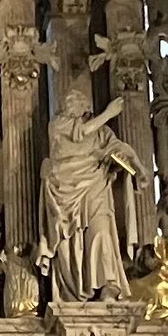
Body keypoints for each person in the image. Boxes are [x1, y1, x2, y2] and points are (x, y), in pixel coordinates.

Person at [37, 76, 142, 301]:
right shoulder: (58, 124)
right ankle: (73, 290)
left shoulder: (102, 133)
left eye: (74, 100)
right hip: (63, 193)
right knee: (67, 244)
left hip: (96, 186)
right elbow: (79, 133)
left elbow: (120, 148)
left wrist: (137, 168)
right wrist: (109, 113)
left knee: (101, 232)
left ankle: (107, 286)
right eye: (67, 101)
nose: (68, 104)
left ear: (85, 107)